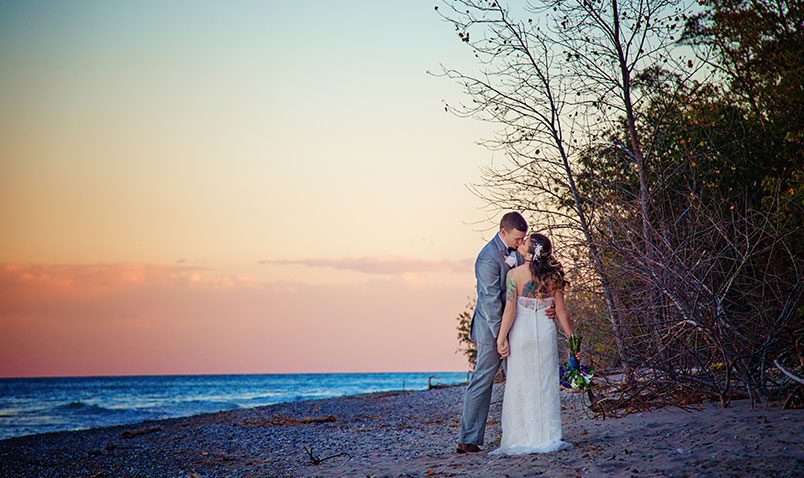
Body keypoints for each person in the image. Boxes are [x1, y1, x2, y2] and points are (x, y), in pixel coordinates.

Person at [457, 213, 556, 454]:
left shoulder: (521, 252)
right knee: (483, 378)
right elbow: (491, 304)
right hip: (493, 327)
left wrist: (547, 305)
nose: (520, 242)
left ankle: (525, 434)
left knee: (522, 378)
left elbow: (535, 284)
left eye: (523, 238)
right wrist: (501, 338)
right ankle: (468, 439)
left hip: (519, 324)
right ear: (503, 232)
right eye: (516, 238)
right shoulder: (487, 259)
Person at [490, 233, 576, 455]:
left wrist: (501, 338)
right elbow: (562, 311)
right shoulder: (554, 277)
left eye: (525, 242)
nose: (522, 242)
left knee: (520, 383)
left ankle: (521, 437)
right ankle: (547, 436)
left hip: (521, 333)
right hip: (545, 333)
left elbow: (509, 311)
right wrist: (573, 341)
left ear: (530, 251)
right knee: (545, 383)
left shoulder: (514, 275)